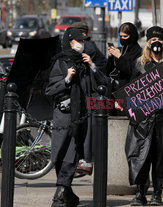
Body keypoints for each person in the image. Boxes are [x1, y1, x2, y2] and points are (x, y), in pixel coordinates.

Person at [46, 28, 107, 207]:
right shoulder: (60, 62)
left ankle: (63, 194)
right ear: (70, 42)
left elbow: (102, 84)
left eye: (84, 41)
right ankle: (63, 192)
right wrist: (66, 79)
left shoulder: (85, 62)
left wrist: (93, 66)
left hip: (82, 116)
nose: (83, 44)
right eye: (79, 41)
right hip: (64, 116)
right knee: (62, 154)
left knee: (72, 154)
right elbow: (50, 89)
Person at [125, 26, 163, 206]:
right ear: (148, 43)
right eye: (153, 40)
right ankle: (139, 193)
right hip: (143, 119)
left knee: (162, 155)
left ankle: (157, 193)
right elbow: (130, 90)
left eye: (159, 41)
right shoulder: (139, 63)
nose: (156, 44)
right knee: (141, 156)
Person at [67, 22, 108, 177]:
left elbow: (101, 73)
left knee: (88, 129)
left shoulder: (87, 48)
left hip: (92, 93)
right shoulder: (87, 46)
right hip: (90, 92)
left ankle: (86, 160)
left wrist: (91, 66)